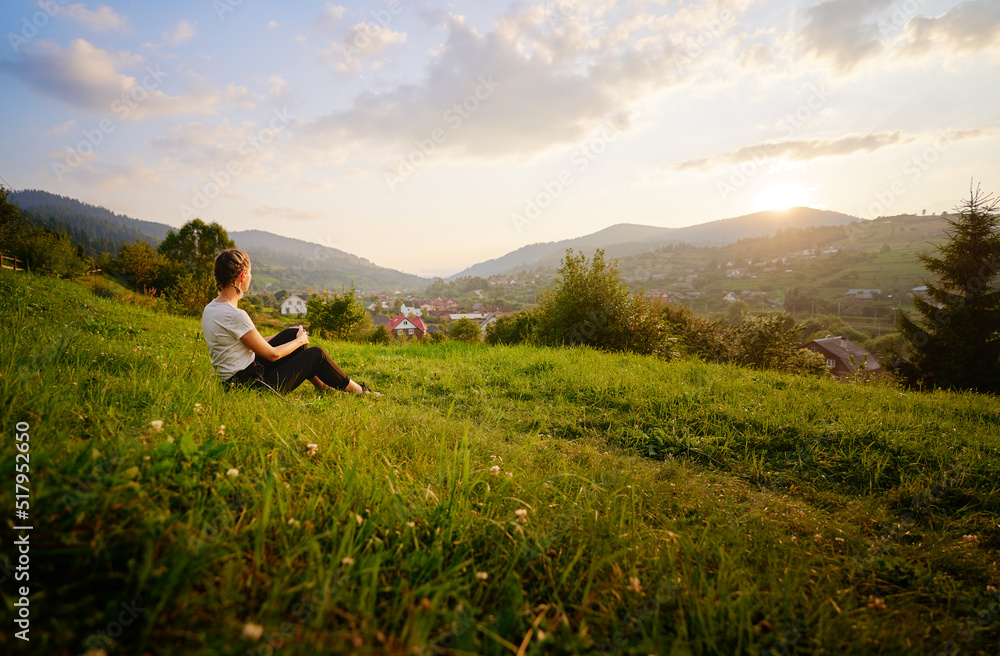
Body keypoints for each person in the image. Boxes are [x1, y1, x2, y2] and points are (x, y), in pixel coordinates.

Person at [201, 249, 379, 397]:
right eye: (250, 273)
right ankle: (360, 391)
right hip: (251, 386)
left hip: (235, 381)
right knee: (316, 354)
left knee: (291, 334)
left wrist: (291, 336)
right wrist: (300, 341)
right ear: (243, 275)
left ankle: (322, 387)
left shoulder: (211, 308)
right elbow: (272, 355)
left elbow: (242, 342)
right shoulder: (236, 315)